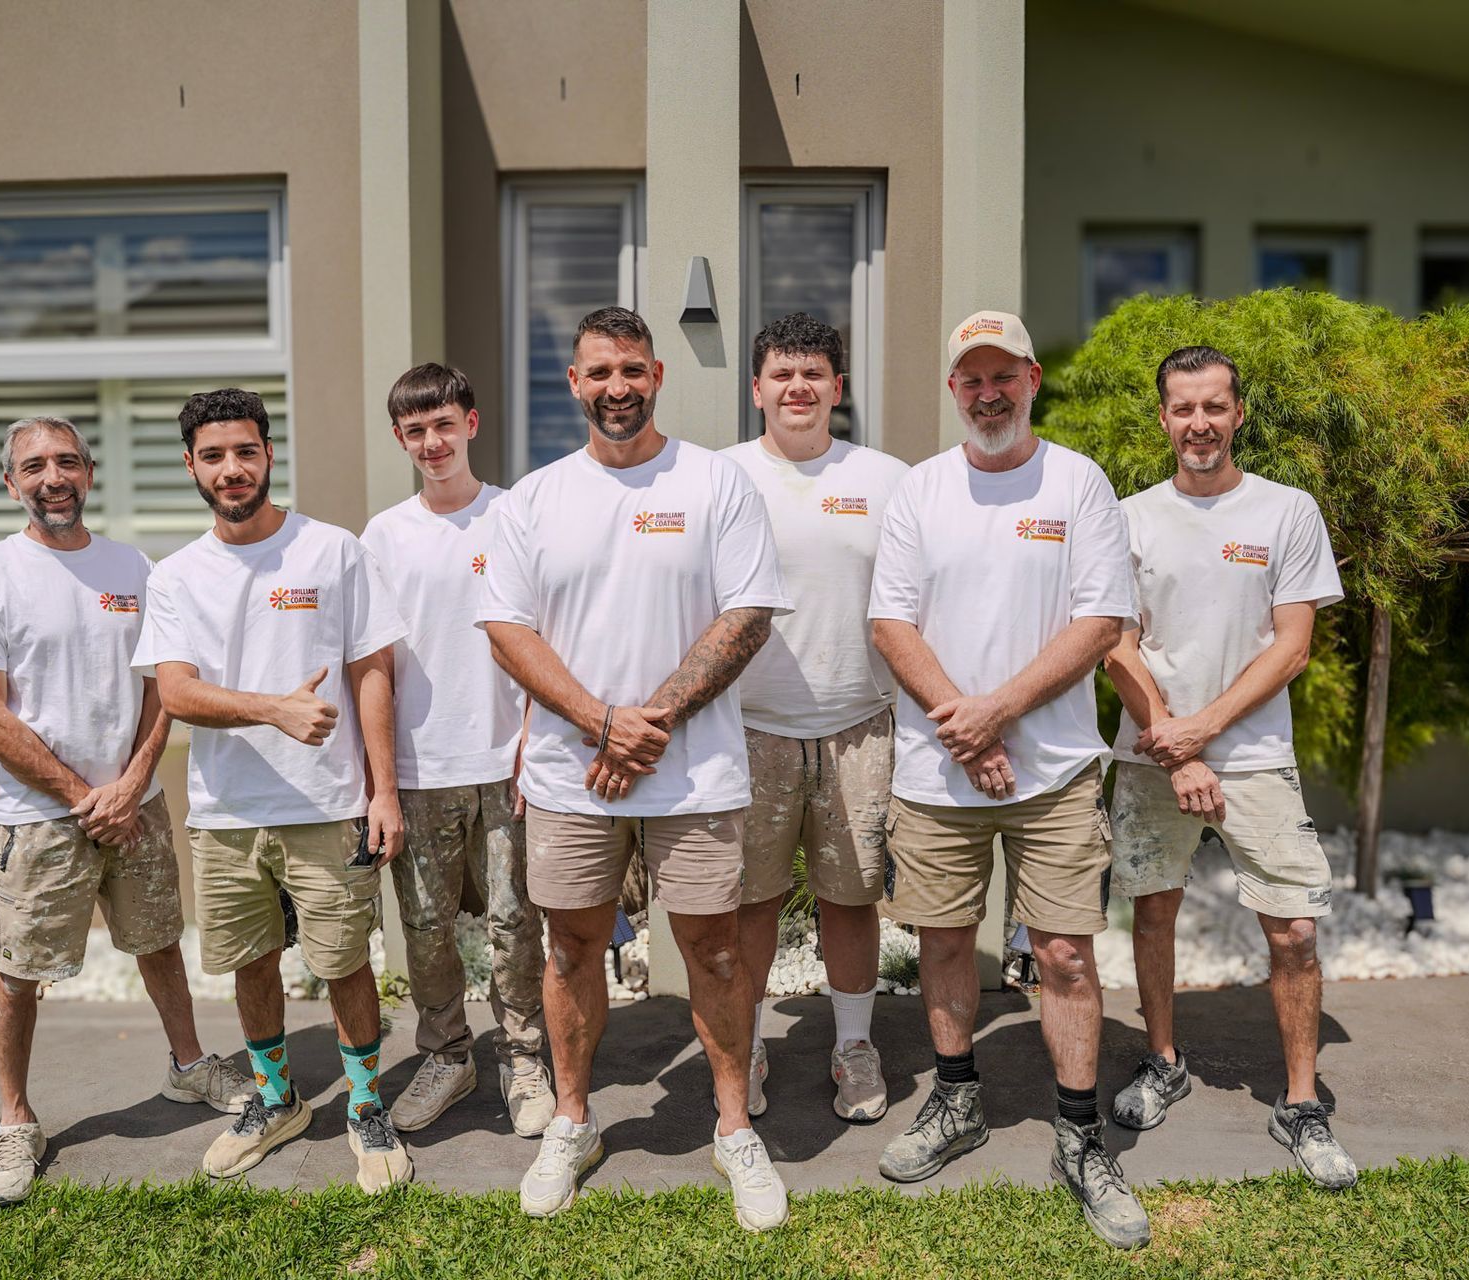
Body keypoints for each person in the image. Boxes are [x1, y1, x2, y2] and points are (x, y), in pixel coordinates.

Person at [479, 306, 794, 1231]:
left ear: (657, 375)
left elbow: (748, 615)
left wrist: (644, 725)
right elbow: (506, 629)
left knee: (715, 951)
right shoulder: (533, 499)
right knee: (571, 948)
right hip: (571, 774)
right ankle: (573, 1122)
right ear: (574, 384)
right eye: (598, 372)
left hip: (695, 775)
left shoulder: (716, 482)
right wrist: (601, 724)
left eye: (631, 370)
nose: (616, 387)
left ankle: (733, 1127)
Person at [868, 310, 1149, 1250]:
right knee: (946, 943)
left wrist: (996, 714)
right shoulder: (920, 490)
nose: (987, 394)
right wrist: (967, 726)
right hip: (937, 773)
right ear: (954, 390)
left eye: (1003, 376)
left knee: (1064, 955)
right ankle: (957, 1103)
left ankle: (1080, 1137)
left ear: (1032, 379)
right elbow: (891, 625)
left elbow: (1100, 621)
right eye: (971, 379)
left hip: (1055, 773)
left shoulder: (1078, 482)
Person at [0, 415, 249, 1209]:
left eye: (67, 462)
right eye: (34, 466)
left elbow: (160, 690)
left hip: (136, 806)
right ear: (11, 483)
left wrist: (133, 781)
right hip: (38, 818)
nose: (53, 478)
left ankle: (188, 1067)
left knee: (159, 942)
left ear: (90, 472)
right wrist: (86, 798)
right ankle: (15, 1122)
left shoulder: (133, 568)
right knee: (19, 970)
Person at [131, 387, 413, 1194]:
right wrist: (275, 709)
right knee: (250, 962)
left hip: (329, 805)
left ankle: (366, 1106)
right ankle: (278, 1099)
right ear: (191, 467)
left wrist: (383, 792)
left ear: (268, 455)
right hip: (226, 813)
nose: (232, 468)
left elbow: (372, 672)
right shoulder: (177, 575)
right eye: (213, 456)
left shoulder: (332, 551)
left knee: (344, 962)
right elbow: (176, 692)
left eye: (245, 452)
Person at [1103, 345, 1355, 1189]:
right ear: (1163, 417)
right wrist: (1174, 746)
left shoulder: (1287, 511)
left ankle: (1300, 1102)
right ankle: (1163, 1059)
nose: (1199, 423)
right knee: (1152, 913)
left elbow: (1292, 647)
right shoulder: (1130, 517)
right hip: (1152, 755)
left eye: (1214, 407)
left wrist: (1201, 733)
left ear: (1239, 413)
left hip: (1252, 756)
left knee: (1295, 931)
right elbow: (1116, 646)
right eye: (1183, 408)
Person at [720, 312, 907, 1123]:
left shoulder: (887, 479)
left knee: (851, 897)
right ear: (756, 388)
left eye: (813, 374)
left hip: (858, 721)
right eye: (782, 374)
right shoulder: (722, 477)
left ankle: (854, 1046)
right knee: (750, 901)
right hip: (747, 726)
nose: (798, 387)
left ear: (838, 386)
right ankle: (747, 1046)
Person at [360, 363, 555, 1138]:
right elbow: (372, 665)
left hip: (508, 758)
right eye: (415, 431)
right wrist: (380, 783)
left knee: (515, 921)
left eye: (444, 425)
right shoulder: (384, 535)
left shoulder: (516, 516)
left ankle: (524, 1057)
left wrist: (536, 734)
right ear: (400, 439)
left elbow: (545, 634)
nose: (432, 443)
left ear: (470, 424)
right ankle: (447, 1054)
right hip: (420, 766)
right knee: (425, 926)